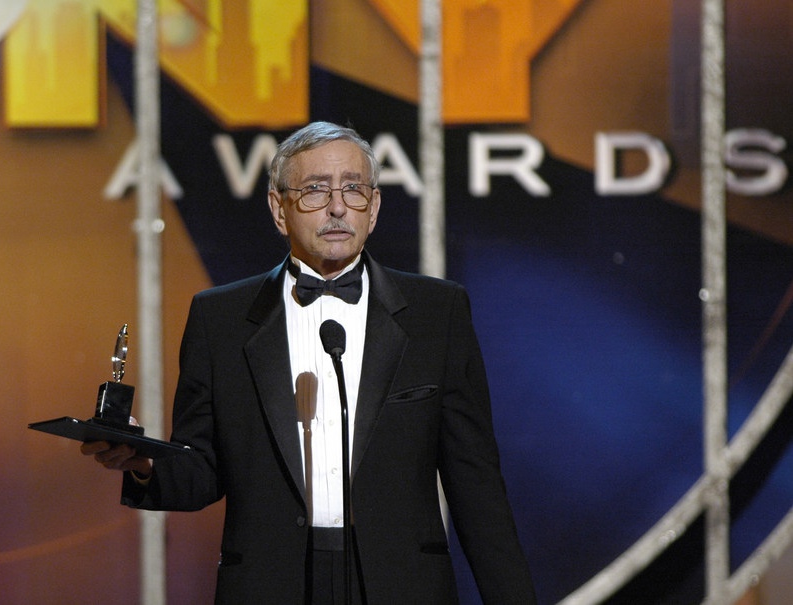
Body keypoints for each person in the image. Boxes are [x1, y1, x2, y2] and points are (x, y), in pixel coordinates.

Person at [82, 121, 536, 604]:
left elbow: (476, 484)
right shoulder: (222, 319)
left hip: (400, 585)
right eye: (316, 190)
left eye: (354, 190)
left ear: (375, 207)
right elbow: (204, 470)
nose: (338, 207)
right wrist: (147, 461)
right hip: (270, 584)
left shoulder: (436, 313)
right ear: (279, 210)